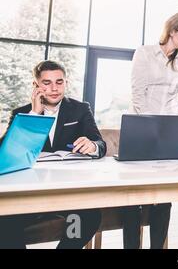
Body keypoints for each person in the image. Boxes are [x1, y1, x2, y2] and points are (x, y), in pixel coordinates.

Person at [0, 60, 104, 249]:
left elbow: (100, 143)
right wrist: (34, 114)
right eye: (47, 83)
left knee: (88, 216)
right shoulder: (21, 113)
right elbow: (5, 154)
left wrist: (93, 146)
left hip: (67, 196)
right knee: (5, 221)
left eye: (59, 82)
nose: (54, 88)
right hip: (28, 197)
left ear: (66, 82)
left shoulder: (80, 109)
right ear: (36, 86)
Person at [124, 12, 178, 249]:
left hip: (166, 133)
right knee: (133, 199)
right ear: (172, 30)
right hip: (141, 129)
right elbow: (138, 95)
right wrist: (150, 129)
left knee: (163, 198)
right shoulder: (145, 53)